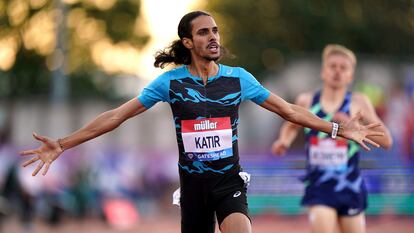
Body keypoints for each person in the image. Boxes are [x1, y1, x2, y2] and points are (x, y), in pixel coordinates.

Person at [20, 12, 383, 233]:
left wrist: (337, 128)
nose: (214, 38)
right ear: (188, 41)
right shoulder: (171, 83)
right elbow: (117, 116)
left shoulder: (239, 78)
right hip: (193, 187)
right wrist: (63, 144)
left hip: (229, 182)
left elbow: (289, 110)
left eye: (216, 31)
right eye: (205, 32)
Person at [271, 44, 393, 233]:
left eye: (343, 68)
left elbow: (386, 141)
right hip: (319, 185)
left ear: (350, 75)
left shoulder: (358, 102)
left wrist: (354, 127)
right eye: (332, 66)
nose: (337, 71)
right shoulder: (307, 101)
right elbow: (291, 125)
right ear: (323, 71)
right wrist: (283, 141)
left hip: (350, 185)